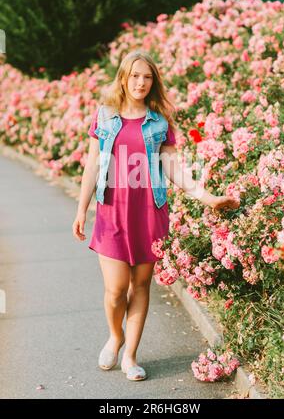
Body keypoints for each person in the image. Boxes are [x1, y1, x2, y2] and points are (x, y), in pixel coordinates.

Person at [72, 50, 240, 382]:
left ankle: (131, 355)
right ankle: (115, 336)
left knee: (141, 284)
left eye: (147, 77)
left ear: (154, 81)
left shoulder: (159, 122)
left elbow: (175, 169)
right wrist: (81, 209)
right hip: (111, 213)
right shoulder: (104, 117)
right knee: (116, 290)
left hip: (148, 213)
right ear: (123, 77)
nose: (141, 82)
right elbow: (92, 166)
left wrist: (208, 198)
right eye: (135, 75)